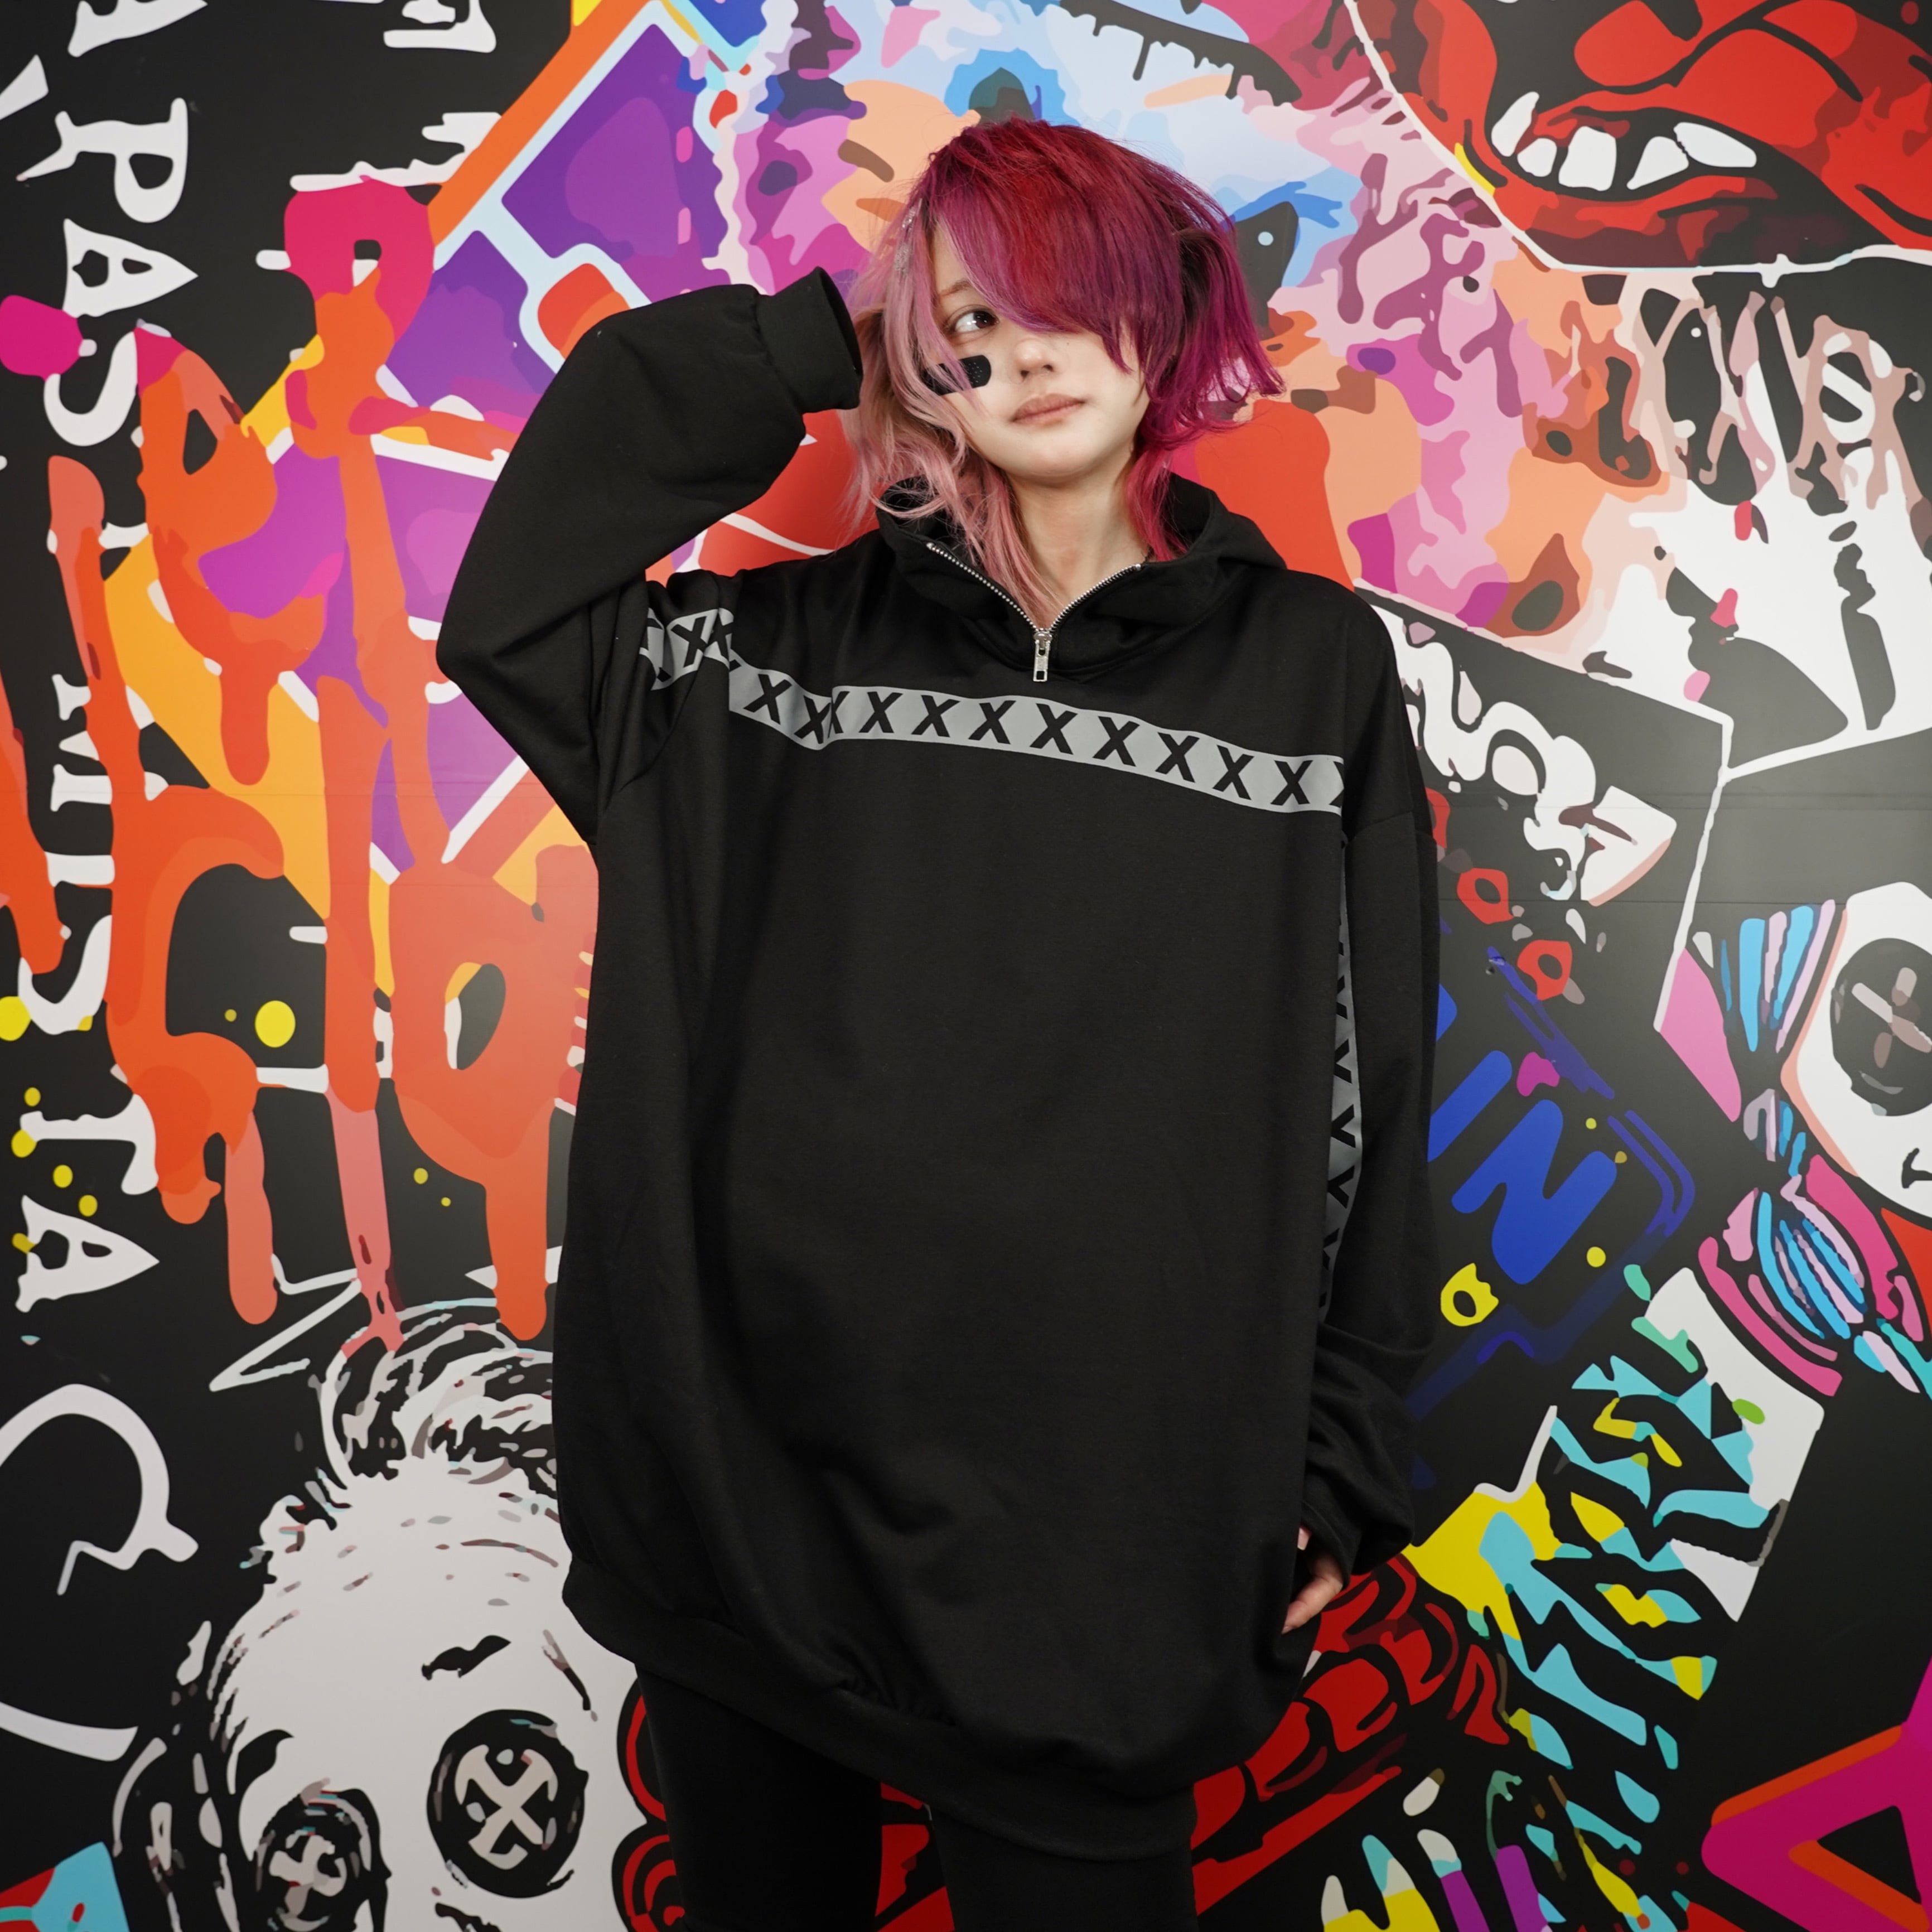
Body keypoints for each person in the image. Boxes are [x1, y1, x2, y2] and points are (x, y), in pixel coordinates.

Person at [438, 117, 1438, 1932]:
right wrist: (821, 336)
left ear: (1163, 319)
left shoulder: (1313, 675)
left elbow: (1372, 1084)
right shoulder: (757, 662)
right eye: (972, 320)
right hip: (753, 1518)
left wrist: (1343, 1462)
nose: (1025, 356)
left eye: (1070, 302)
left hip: (1109, 1554)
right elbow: (515, 614)